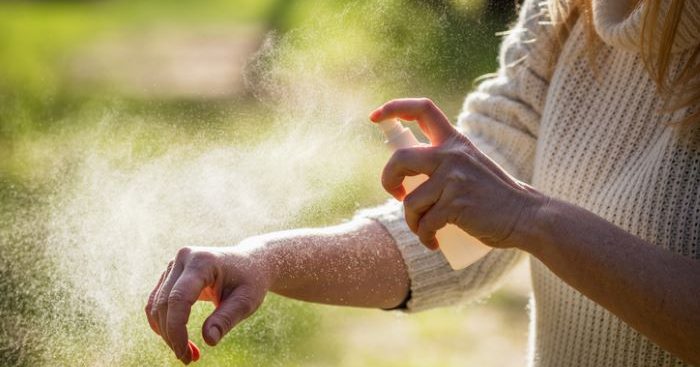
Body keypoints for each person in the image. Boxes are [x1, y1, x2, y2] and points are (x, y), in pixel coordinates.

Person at [145, 0, 700, 365]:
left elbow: (510, 214)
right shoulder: (562, 17)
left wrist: (533, 220)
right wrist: (263, 260)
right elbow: (458, 239)